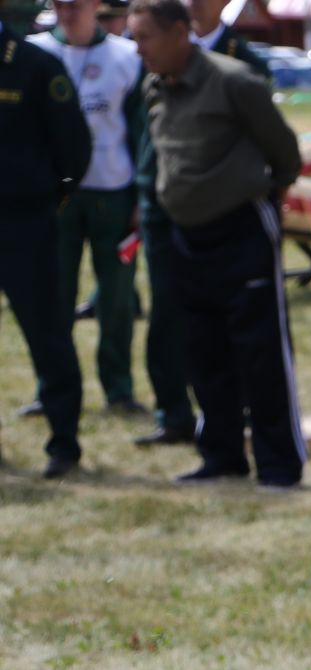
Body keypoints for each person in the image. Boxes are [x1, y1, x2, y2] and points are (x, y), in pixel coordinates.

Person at [131, 0, 304, 491]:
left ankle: (278, 464)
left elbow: (284, 151)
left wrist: (269, 189)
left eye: (144, 37)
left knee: (260, 352)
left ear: (180, 33)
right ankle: (222, 454)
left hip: (241, 228)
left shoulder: (234, 81)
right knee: (202, 351)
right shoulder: (153, 85)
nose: (137, 48)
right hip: (184, 234)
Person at [24, 0, 146, 428]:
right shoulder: (33, 52)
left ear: (97, 5)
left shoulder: (126, 57)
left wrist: (139, 198)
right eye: (60, 3)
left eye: (76, 3)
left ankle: (119, 388)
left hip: (112, 190)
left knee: (115, 298)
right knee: (52, 297)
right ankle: (50, 389)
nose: (68, 11)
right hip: (55, 197)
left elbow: (141, 130)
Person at [0, 13, 91, 479]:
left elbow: (74, 147)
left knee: (48, 335)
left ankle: (64, 443)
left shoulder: (35, 66)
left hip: (23, 225)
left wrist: (46, 200)